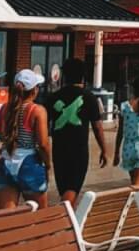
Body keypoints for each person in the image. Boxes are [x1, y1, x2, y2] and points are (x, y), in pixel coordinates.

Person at [43, 58, 106, 209]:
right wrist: (104, 149)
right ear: (83, 76)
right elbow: (97, 127)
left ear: (64, 76)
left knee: (64, 188)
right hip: (79, 150)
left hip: (59, 149)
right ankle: (62, 219)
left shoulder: (53, 98)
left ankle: (67, 220)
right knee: (73, 188)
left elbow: (43, 127)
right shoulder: (89, 97)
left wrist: (43, 152)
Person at [0, 67, 53, 210]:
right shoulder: (37, 111)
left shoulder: (4, 109)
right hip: (29, 163)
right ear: (34, 90)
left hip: (6, 162)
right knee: (39, 216)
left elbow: (2, 136)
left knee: (6, 218)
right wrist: (48, 164)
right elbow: (43, 144)